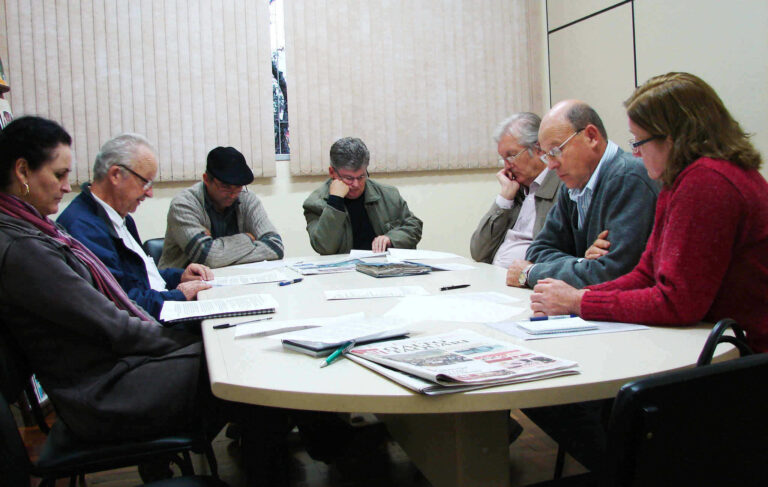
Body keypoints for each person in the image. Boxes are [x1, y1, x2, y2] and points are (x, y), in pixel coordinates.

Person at [0, 117, 294, 485]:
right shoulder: (28, 246)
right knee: (244, 360)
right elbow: (113, 322)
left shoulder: (34, 231)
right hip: (105, 391)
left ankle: (264, 454)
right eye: (59, 174)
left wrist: (178, 291)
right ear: (23, 171)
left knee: (239, 352)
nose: (66, 186)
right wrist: (185, 336)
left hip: (113, 367)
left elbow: (129, 290)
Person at [526, 72, 768, 473]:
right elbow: (645, 273)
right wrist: (578, 300)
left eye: (639, 141)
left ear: (673, 138)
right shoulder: (682, 181)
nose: (635, 154)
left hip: (744, 361)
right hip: (715, 344)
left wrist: (581, 301)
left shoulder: (707, 182)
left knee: (565, 400)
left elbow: (677, 302)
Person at [57, 134, 213, 320]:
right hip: (148, 327)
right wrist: (179, 295)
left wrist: (178, 277)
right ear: (115, 175)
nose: (150, 193)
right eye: (145, 182)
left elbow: (139, 280)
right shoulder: (84, 229)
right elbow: (122, 305)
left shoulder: (121, 217)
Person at [506, 100, 659, 289]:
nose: (551, 165)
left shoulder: (629, 178)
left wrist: (530, 273)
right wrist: (582, 263)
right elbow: (537, 250)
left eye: (555, 151)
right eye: (547, 155)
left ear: (591, 136)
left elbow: (613, 274)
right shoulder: (573, 185)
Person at [160, 146, 283, 269]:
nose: (233, 194)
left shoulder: (246, 197)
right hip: (182, 278)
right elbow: (208, 257)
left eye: (238, 187)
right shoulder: (183, 204)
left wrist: (221, 255)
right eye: (225, 187)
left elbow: (275, 247)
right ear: (206, 179)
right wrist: (247, 238)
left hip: (235, 276)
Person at [303, 137, 423, 254]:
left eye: (361, 176)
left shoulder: (388, 195)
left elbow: (414, 227)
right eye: (349, 178)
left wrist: (391, 238)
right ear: (332, 172)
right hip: (345, 267)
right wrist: (335, 202)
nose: (356, 184)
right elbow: (324, 247)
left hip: (383, 264)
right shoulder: (315, 203)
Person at [470, 112, 562, 266]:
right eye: (503, 159)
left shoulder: (560, 187)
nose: (507, 166)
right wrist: (504, 200)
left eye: (511, 156)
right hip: (495, 274)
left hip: (528, 278)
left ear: (539, 149)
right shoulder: (516, 191)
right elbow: (478, 251)